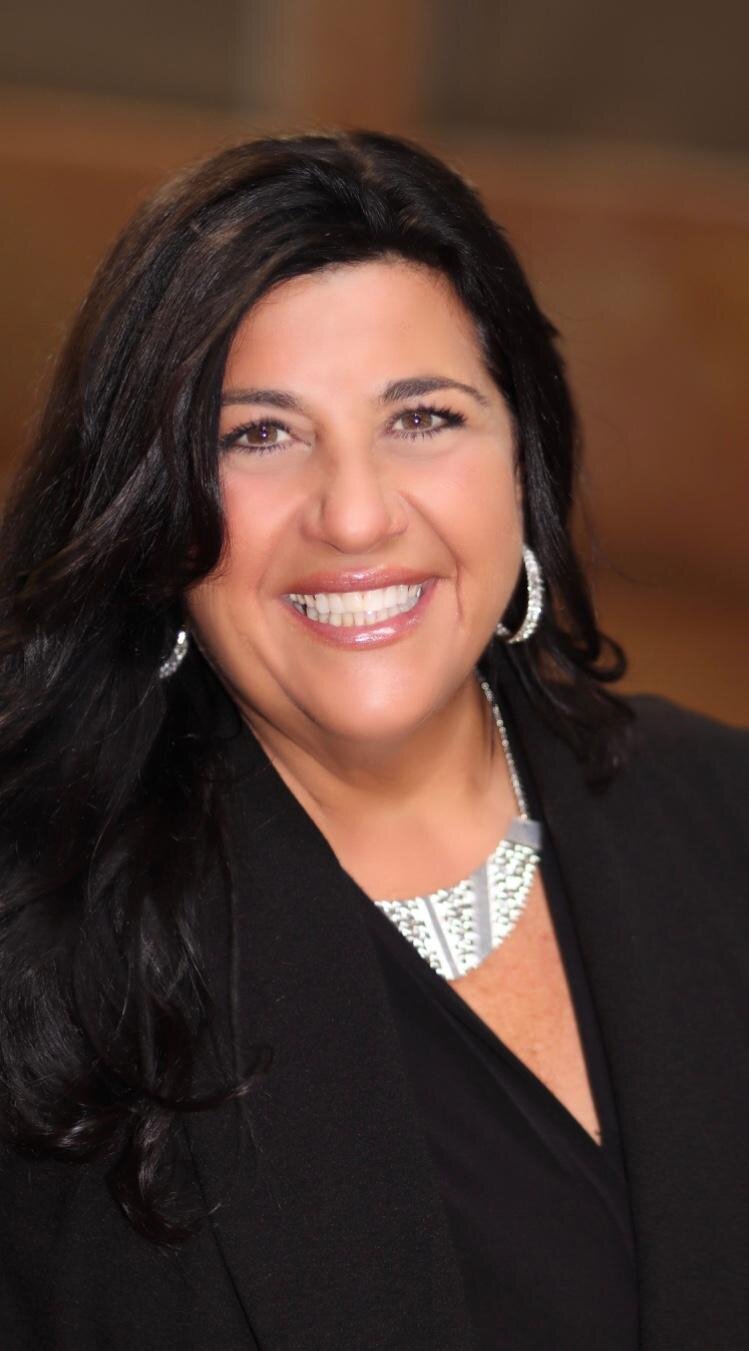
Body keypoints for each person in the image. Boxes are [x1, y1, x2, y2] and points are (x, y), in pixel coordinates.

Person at [0, 130, 746, 1351]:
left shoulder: (726, 820)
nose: (353, 514)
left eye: (423, 416)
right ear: (156, 510)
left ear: (526, 461)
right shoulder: (37, 948)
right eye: (258, 435)